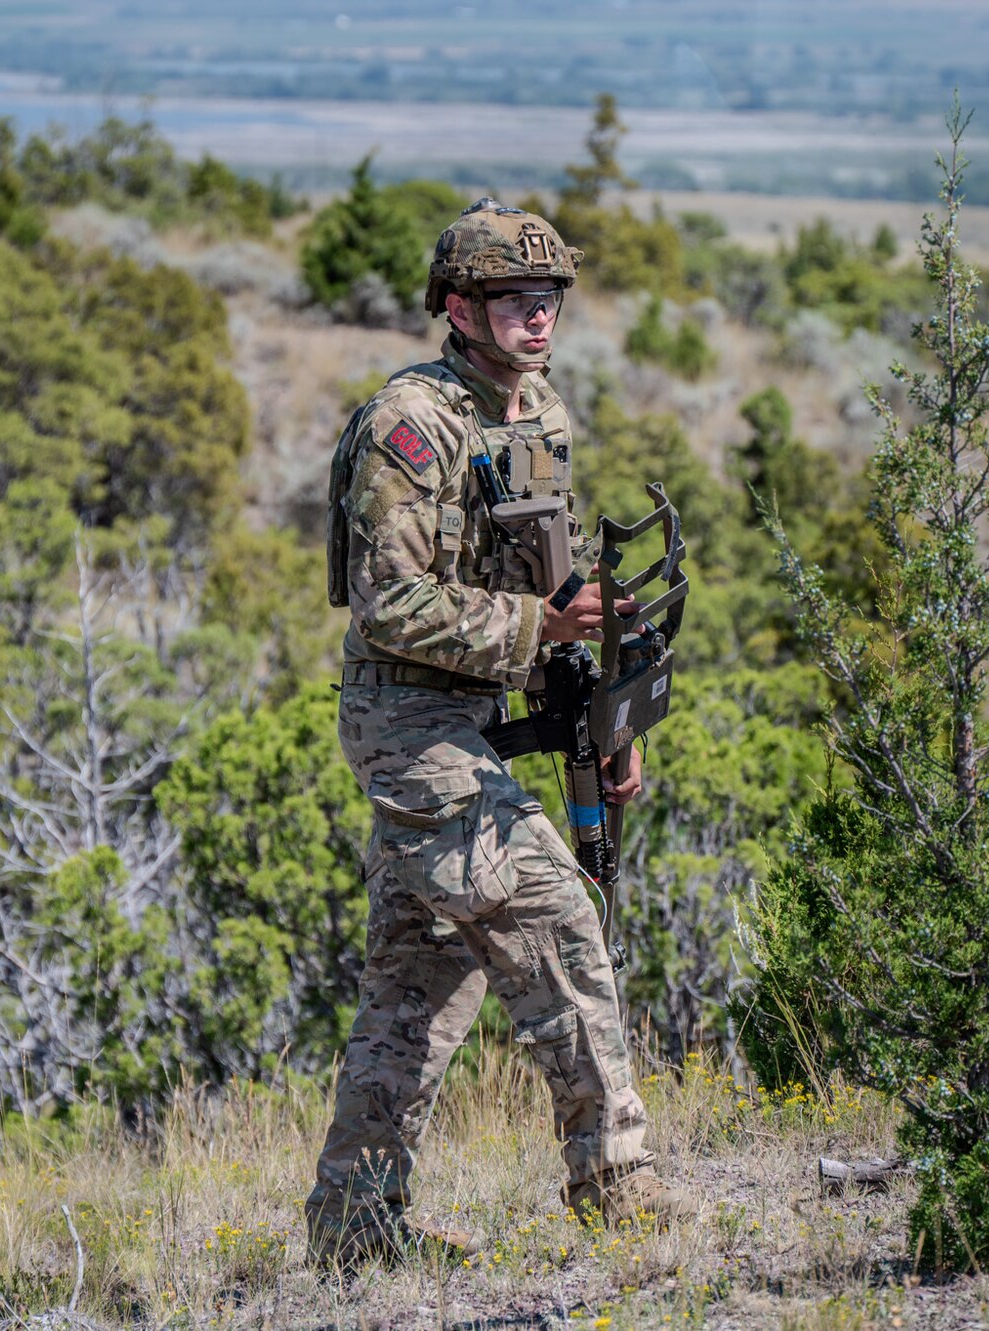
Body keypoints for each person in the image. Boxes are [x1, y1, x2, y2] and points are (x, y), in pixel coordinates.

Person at [307, 199, 695, 1265]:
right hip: (407, 721)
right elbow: (386, 605)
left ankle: (351, 1230)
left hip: (485, 713)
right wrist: (540, 625)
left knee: (418, 982)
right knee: (552, 909)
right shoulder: (410, 425)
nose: (539, 317)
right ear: (457, 306)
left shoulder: (538, 415)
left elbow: (559, 580)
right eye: (515, 299)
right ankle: (614, 1182)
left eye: (549, 298)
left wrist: (610, 718)